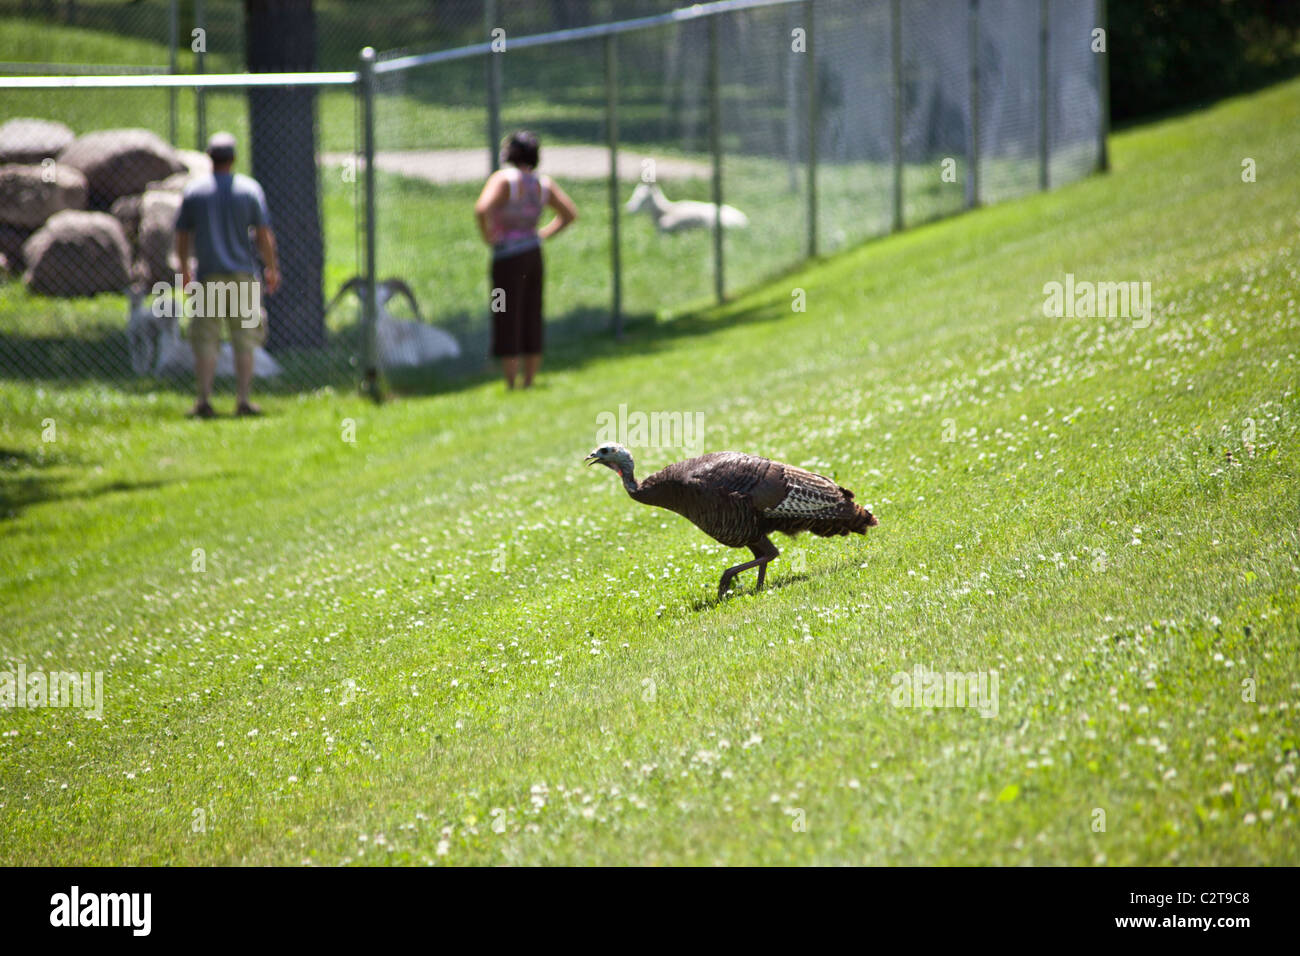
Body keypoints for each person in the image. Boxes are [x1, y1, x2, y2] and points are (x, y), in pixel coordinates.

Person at [174, 131, 280, 418]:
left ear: (210, 158)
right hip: (242, 275)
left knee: (206, 339)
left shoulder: (195, 192)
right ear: (233, 158)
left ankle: (204, 400)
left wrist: (184, 268)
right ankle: (243, 400)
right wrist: (271, 268)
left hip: (208, 276)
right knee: (244, 339)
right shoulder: (249, 190)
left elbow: (182, 234)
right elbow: (263, 235)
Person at [474, 131, 577, 390]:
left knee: (504, 310)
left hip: (507, 258)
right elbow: (569, 214)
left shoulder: (504, 180)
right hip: (533, 256)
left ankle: (510, 380)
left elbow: (482, 209)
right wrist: (540, 235)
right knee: (532, 312)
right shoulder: (542, 184)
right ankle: (529, 380)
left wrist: (489, 236)